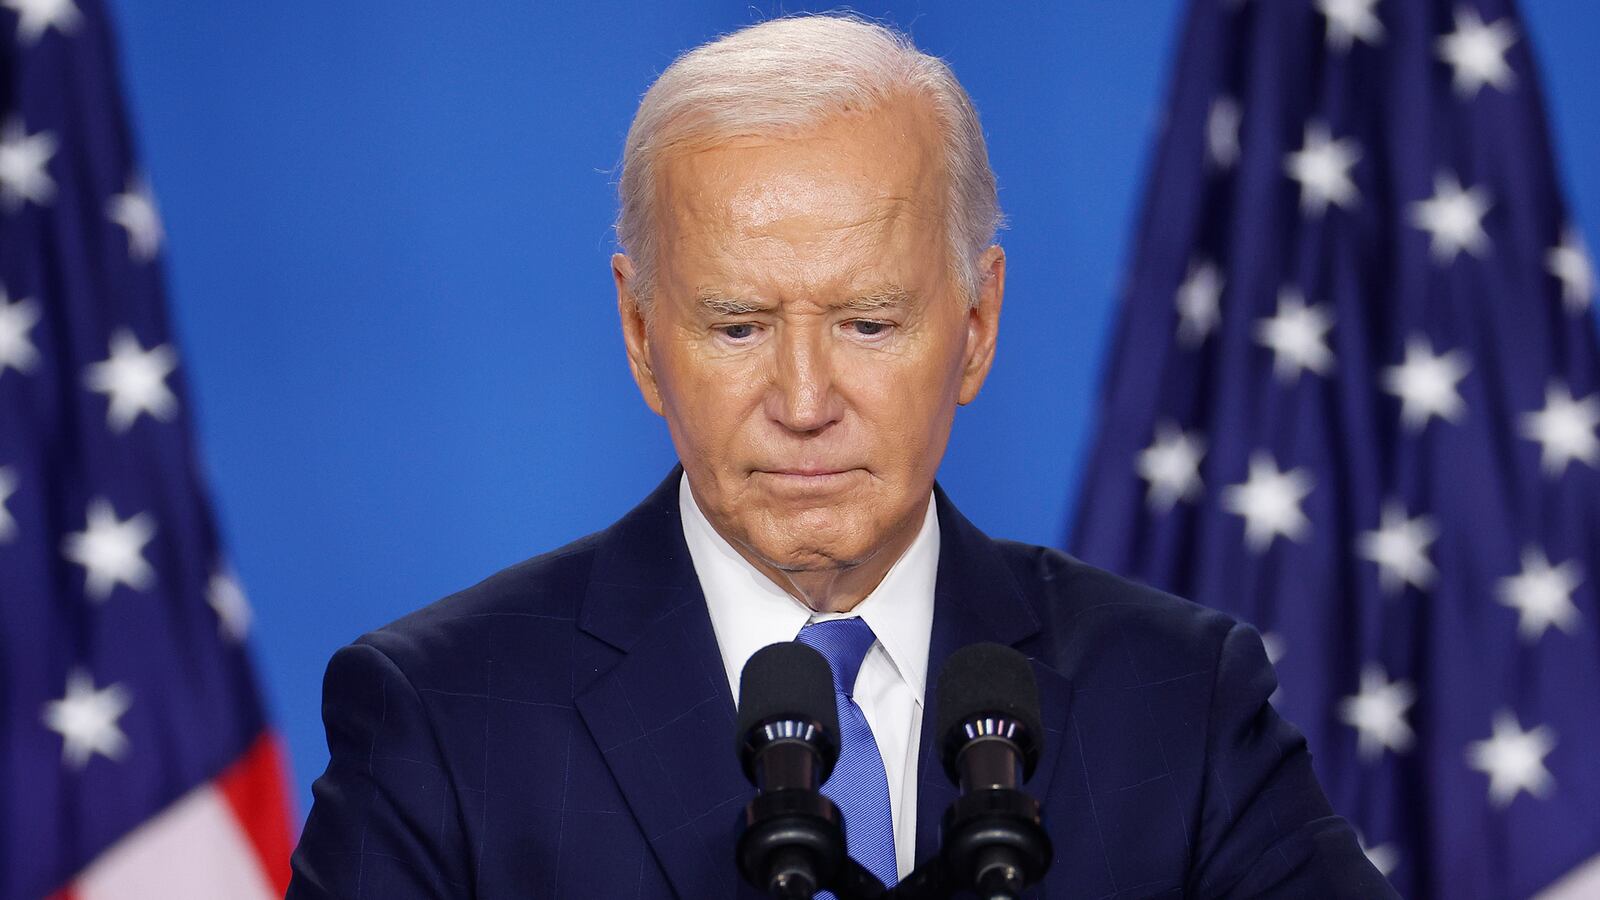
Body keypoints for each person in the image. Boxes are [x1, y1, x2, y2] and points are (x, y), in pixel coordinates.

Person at [286, 14, 1396, 899]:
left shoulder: (1173, 701)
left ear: (974, 324)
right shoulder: (446, 718)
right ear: (639, 333)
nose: (805, 402)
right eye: (737, 327)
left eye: (868, 323)